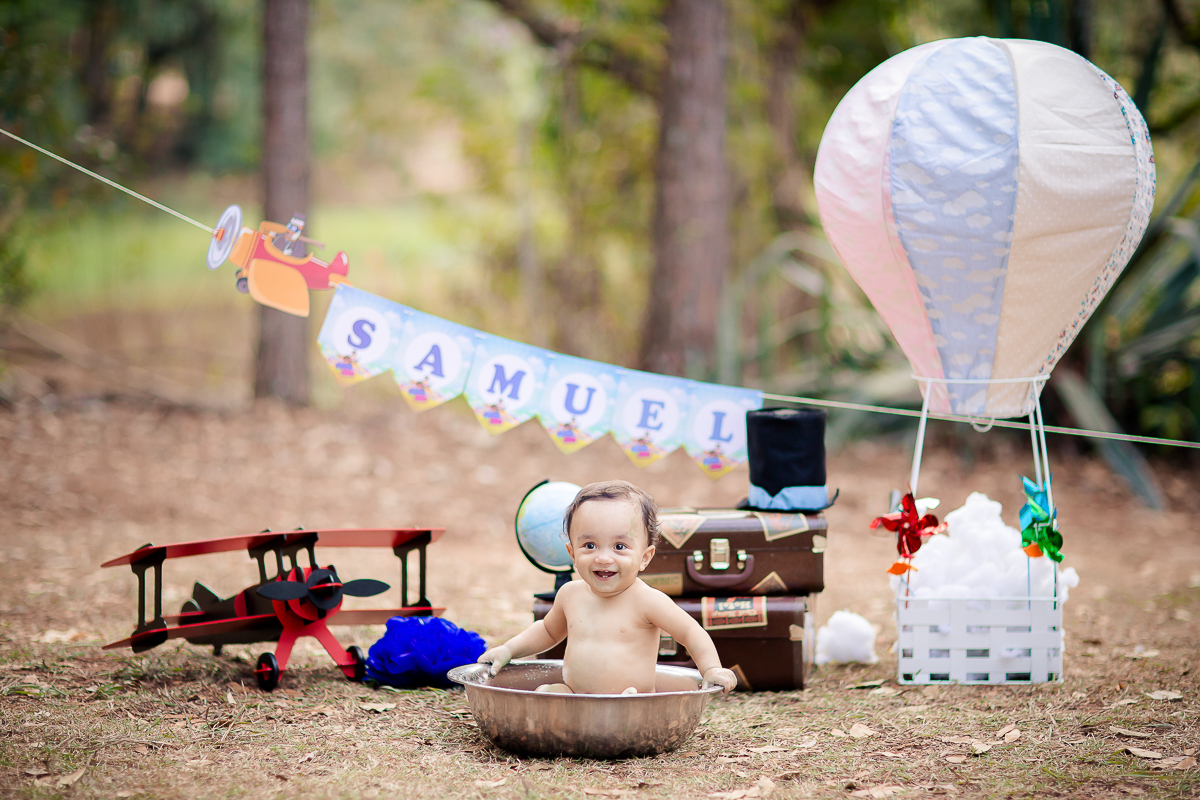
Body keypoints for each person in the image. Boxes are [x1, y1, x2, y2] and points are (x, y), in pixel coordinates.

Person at [478, 480, 738, 694]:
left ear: (645, 557)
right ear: (572, 553)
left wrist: (711, 669)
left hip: (632, 698)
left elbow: (691, 632)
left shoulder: (648, 601)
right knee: (549, 692)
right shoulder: (570, 594)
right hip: (576, 696)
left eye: (619, 547)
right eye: (589, 546)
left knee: (631, 702)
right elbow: (546, 631)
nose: (603, 558)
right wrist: (509, 649)